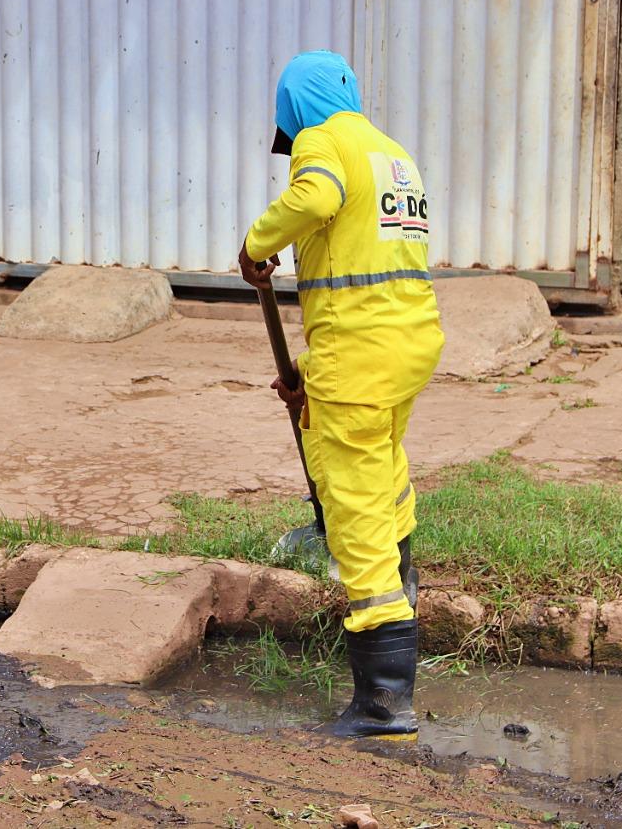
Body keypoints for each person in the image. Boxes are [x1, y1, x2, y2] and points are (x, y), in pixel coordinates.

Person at [238, 51, 444, 739]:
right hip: (405, 343)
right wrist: (305, 378)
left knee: (353, 504)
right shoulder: (392, 154)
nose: (292, 145)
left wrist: (256, 243)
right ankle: (405, 582)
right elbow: (364, 266)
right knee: (382, 468)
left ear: (296, 110)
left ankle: (385, 700)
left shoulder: (324, 141)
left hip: (359, 353)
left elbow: (316, 198)